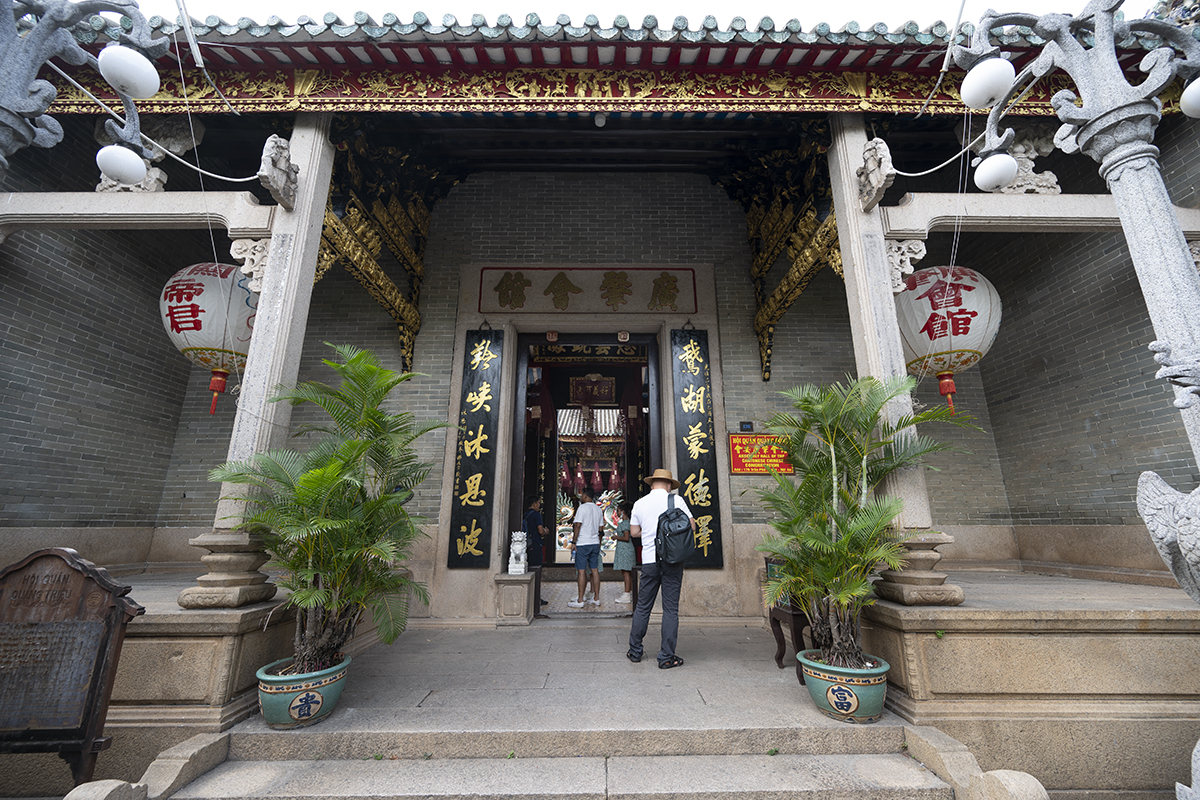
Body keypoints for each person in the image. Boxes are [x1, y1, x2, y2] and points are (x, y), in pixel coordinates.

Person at [627, 468, 695, 668]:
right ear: (668, 485)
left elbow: (634, 532)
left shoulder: (639, 503)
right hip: (672, 561)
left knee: (643, 607)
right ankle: (666, 657)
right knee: (670, 609)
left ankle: (635, 651)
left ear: (651, 484)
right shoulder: (676, 501)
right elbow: (691, 526)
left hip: (649, 561)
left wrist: (649, 532)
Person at [567, 488, 603, 608]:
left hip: (583, 543)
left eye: (582, 495)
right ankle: (596, 598)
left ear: (586, 496)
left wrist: (574, 542)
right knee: (595, 570)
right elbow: (601, 529)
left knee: (581, 571)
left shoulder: (582, 508)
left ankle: (580, 600)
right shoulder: (598, 509)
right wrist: (599, 543)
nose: (581, 497)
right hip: (594, 543)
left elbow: (577, 525)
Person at [522, 495, 549, 616]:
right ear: (534, 504)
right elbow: (540, 531)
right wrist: (546, 531)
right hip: (535, 545)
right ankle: (536, 597)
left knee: (529, 569)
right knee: (537, 570)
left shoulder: (525, 515)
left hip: (527, 545)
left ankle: (530, 595)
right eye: (538, 503)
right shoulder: (536, 515)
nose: (539, 505)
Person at [613, 501, 635, 604]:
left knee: (626, 572)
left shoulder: (625, 523)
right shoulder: (627, 522)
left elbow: (626, 537)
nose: (617, 513)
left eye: (618, 511)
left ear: (623, 511)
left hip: (625, 550)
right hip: (625, 549)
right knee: (626, 572)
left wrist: (616, 537)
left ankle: (627, 594)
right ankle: (629, 592)